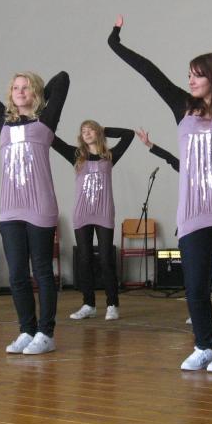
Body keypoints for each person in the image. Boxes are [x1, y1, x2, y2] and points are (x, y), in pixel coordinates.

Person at [108, 16, 212, 372]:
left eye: (198, 75)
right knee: (195, 282)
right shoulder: (182, 106)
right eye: (189, 74)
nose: (190, 80)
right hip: (193, 212)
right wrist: (116, 42)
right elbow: (150, 73)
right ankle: (203, 345)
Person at [0, 36, 69, 354]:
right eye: (16, 88)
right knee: (17, 274)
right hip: (10, 208)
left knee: (42, 272)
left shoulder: (46, 121)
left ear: (35, 92)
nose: (19, 91)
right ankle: (26, 330)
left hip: (40, 206)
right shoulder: (2, 121)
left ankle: (46, 334)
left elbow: (63, 79)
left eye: (26, 87)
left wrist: (41, 94)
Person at [135, 127, 212, 327]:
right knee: (198, 275)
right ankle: (201, 313)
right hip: (196, 227)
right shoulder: (191, 169)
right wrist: (150, 145)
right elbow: (171, 159)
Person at [52, 121, 134, 321]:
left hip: (104, 213)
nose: (86, 133)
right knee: (85, 259)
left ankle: (112, 304)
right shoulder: (76, 155)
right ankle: (88, 304)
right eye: (83, 131)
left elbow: (129, 134)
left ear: (97, 132)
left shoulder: (110, 156)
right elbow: (52, 139)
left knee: (106, 259)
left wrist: (105, 130)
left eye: (90, 130)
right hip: (82, 213)